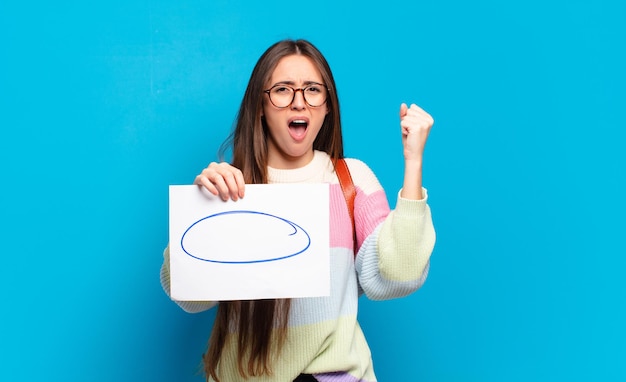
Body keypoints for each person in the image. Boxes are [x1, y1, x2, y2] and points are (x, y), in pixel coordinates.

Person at [160, 39, 436, 382]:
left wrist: (413, 163)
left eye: (312, 90)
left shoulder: (352, 181)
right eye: (282, 90)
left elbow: (398, 276)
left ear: (327, 106)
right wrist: (204, 209)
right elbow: (185, 296)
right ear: (260, 106)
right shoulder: (233, 189)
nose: (298, 103)